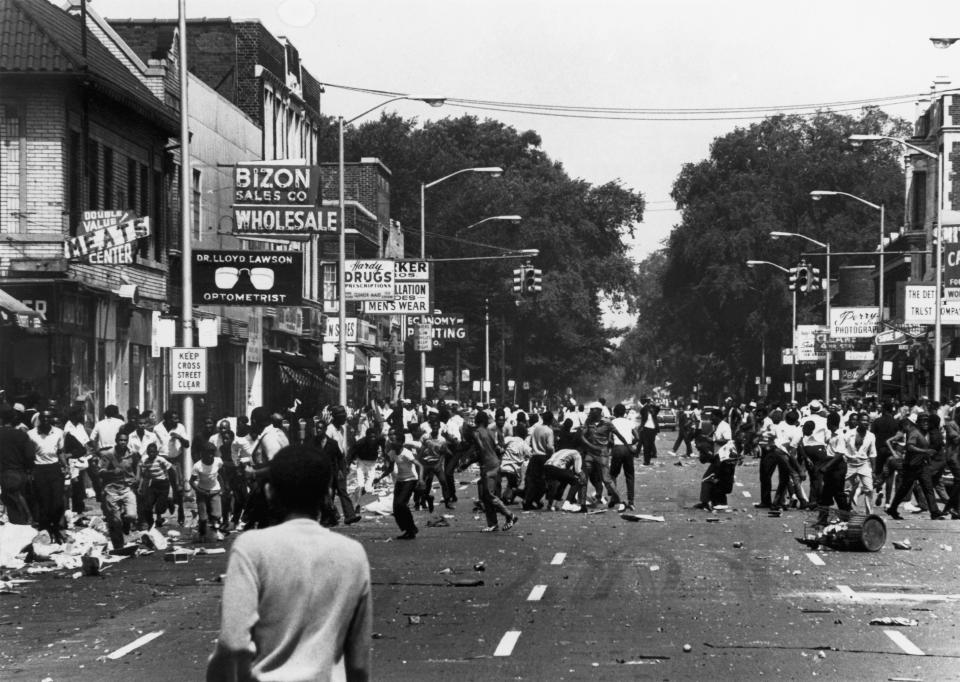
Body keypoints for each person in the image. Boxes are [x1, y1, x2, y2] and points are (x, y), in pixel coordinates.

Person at [207, 445, 372, 682]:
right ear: (326, 495)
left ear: (269, 492)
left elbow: (233, 644)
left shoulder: (251, 548)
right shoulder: (352, 554)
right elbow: (358, 663)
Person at [461, 410, 518, 532]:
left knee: (489, 496)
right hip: (496, 463)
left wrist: (467, 462)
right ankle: (492, 524)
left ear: (477, 421)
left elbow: (480, 450)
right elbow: (499, 449)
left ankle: (510, 515)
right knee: (487, 496)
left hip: (487, 465)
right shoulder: (492, 432)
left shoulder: (476, 433)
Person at [885, 412, 945, 520]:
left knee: (928, 488)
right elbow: (909, 446)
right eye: (923, 421)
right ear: (918, 422)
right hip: (911, 466)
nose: (925, 423)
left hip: (922, 466)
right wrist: (925, 451)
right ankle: (893, 508)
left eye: (927, 421)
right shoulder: (915, 432)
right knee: (904, 489)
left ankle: (934, 512)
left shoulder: (925, 433)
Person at [27, 409, 67, 543]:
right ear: (40, 419)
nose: (45, 420)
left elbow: (60, 451)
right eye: (43, 418)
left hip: (54, 468)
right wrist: (30, 471)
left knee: (57, 502)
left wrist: (65, 466)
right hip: (39, 469)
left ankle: (56, 527)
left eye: (48, 418)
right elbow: (29, 454)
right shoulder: (31, 434)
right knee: (43, 501)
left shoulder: (58, 433)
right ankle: (46, 531)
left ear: (51, 419)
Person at [376, 428, 423, 539]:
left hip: (411, 480)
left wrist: (421, 480)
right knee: (396, 509)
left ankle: (412, 527)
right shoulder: (392, 453)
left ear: (400, 442)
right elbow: (390, 468)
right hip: (400, 480)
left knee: (401, 504)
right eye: (390, 441)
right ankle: (408, 530)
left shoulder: (406, 453)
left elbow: (420, 465)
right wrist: (379, 478)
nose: (391, 443)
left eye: (393, 441)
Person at [97, 431, 140, 550]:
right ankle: (119, 546)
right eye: (121, 440)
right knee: (115, 521)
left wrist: (137, 478)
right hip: (112, 490)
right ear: (116, 441)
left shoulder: (132, 454)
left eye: (125, 440)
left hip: (127, 488)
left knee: (132, 516)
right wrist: (111, 472)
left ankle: (125, 525)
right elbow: (100, 472)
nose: (123, 442)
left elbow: (138, 465)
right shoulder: (108, 454)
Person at [153, 410, 191, 527]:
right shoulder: (157, 429)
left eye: (177, 418)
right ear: (167, 419)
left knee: (178, 488)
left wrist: (179, 437)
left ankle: (180, 512)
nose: (177, 420)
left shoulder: (180, 427)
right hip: (162, 460)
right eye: (174, 419)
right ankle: (159, 516)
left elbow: (187, 444)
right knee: (160, 486)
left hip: (175, 461)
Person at [0, 406, 34, 525]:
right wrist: (29, 471)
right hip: (21, 472)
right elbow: (30, 455)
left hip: (6, 473)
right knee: (18, 498)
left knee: (12, 504)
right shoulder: (22, 434)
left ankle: (27, 521)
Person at [522, 409, 556, 510]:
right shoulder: (549, 431)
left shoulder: (536, 428)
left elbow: (532, 442)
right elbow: (550, 447)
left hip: (534, 457)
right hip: (543, 457)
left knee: (533, 481)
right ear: (551, 420)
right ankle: (533, 500)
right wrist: (552, 454)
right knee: (544, 482)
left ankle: (529, 500)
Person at [140, 442, 173, 529]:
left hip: (163, 483)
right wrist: (142, 486)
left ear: (157, 452)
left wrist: (174, 482)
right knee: (148, 503)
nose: (151, 454)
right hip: (153, 484)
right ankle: (150, 522)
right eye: (150, 452)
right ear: (147, 452)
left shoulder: (160, 460)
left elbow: (171, 468)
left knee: (160, 506)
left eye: (153, 452)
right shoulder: (145, 461)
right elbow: (145, 475)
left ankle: (164, 508)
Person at [638, 398, 660, 465]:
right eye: (648, 403)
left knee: (650, 445)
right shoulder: (643, 410)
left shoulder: (654, 410)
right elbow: (642, 411)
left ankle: (648, 460)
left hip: (653, 429)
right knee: (646, 446)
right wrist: (647, 406)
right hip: (645, 429)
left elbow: (658, 408)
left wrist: (653, 404)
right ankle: (646, 461)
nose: (649, 405)